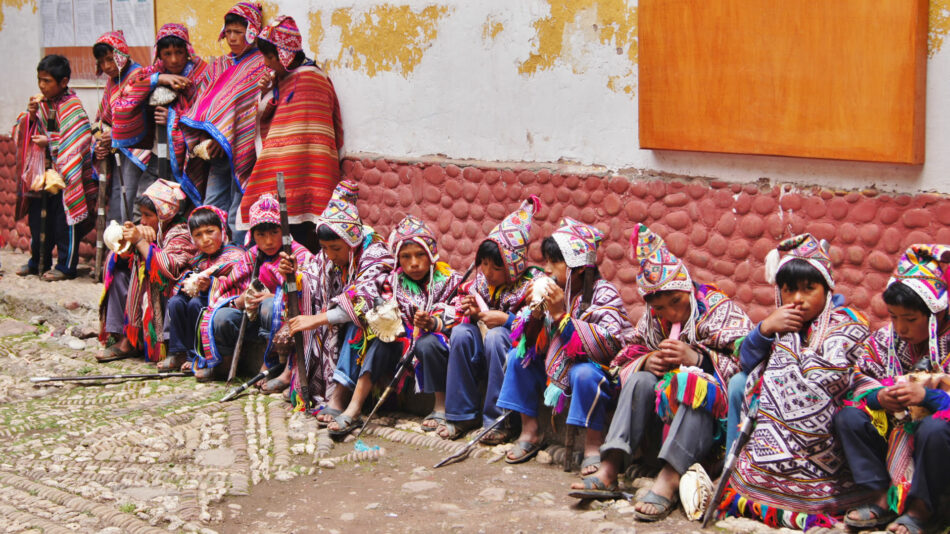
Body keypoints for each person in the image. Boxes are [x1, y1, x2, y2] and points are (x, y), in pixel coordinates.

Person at [569, 224, 752, 522]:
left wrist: (698, 358)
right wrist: (647, 361)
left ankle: (669, 478)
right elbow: (623, 357)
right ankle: (611, 466)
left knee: (691, 383)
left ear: (687, 288)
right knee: (640, 377)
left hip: (708, 431)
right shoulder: (653, 320)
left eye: (676, 303)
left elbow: (748, 361)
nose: (671, 314)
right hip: (661, 424)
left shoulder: (717, 309)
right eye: (661, 308)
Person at [717, 234, 871, 529]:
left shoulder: (847, 323)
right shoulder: (780, 323)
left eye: (808, 289)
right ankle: (735, 472)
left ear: (827, 290)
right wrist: (763, 329)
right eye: (788, 290)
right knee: (739, 383)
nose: (797, 299)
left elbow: (838, 376)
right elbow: (747, 362)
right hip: (773, 423)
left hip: (829, 427)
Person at [496, 218, 635, 468]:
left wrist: (561, 315)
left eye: (555, 262)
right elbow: (528, 342)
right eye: (546, 261)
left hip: (596, 372)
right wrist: (536, 313)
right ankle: (530, 430)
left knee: (583, 374)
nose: (546, 269)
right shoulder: (555, 289)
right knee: (519, 357)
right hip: (557, 369)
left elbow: (609, 347)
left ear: (579, 267)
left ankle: (593, 445)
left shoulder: (604, 294)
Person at [836, 245, 950, 534]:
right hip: (895, 429)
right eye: (894, 316)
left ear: (936, 313)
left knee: (933, 429)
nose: (900, 328)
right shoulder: (887, 340)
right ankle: (880, 498)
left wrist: (930, 397)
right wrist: (880, 398)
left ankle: (923, 510)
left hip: (938, 444)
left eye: (910, 320)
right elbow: (860, 379)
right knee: (847, 418)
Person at [278, 181, 394, 433]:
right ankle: (304, 379)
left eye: (336, 249)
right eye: (324, 248)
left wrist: (317, 319)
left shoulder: (375, 252)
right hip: (341, 323)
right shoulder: (330, 253)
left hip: (378, 327)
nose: (330, 255)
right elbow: (310, 277)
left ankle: (339, 396)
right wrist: (292, 273)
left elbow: (362, 302)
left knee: (358, 326)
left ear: (351, 243)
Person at [436, 196, 544, 442]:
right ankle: (462, 416)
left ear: (513, 265)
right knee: (462, 334)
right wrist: (472, 313)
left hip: (516, 352)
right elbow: (461, 308)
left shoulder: (533, 283)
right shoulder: (481, 281)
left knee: (496, 336)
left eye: (496, 267)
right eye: (483, 264)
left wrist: (507, 320)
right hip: (482, 348)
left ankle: (499, 422)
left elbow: (538, 326)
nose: (487, 272)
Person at [238, 15, 343, 252]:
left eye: (269, 56)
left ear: (283, 56)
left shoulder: (310, 79)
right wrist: (267, 90)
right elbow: (269, 115)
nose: (265, 63)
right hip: (287, 164)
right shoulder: (284, 79)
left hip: (307, 163)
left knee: (304, 228)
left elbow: (306, 127)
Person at [202, 193, 313, 387]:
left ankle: (271, 365)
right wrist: (241, 300)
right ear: (252, 235)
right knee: (222, 317)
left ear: (284, 232)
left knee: (270, 306)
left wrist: (276, 298)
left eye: (274, 233)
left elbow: (310, 292)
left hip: (281, 324)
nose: (268, 241)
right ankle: (223, 363)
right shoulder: (252, 256)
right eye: (261, 235)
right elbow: (230, 284)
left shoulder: (298, 255)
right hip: (253, 321)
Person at [180, 2, 267, 243]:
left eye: (238, 32)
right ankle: (211, 255)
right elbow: (203, 104)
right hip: (216, 150)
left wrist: (227, 137)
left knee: (239, 208)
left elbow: (252, 109)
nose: (232, 38)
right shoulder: (218, 66)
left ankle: (238, 258)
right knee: (213, 204)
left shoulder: (260, 63)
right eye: (228, 32)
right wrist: (211, 138)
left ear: (252, 32)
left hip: (244, 149)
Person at [13, 54, 95, 281]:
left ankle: (66, 266)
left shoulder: (72, 106)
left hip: (66, 176)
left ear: (64, 82)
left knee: (63, 220)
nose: (42, 85)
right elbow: (23, 130)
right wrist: (30, 116)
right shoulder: (40, 104)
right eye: (40, 79)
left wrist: (50, 143)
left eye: (47, 81)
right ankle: (38, 261)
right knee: (38, 220)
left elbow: (80, 137)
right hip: (42, 174)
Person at [97, 179, 196, 363]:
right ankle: (123, 335)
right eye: (141, 215)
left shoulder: (181, 233)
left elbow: (168, 268)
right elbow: (120, 257)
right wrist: (128, 242)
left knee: (148, 273)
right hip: (149, 295)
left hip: (169, 295)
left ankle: (138, 341)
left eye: (148, 215)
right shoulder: (147, 229)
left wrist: (141, 243)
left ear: (163, 215)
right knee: (118, 273)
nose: (143, 221)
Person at [111, 23, 210, 205]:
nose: (173, 60)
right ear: (159, 54)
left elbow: (207, 114)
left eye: (179, 53)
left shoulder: (203, 74)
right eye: (167, 54)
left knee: (179, 207)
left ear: (187, 51)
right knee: (144, 206)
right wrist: (159, 79)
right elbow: (124, 98)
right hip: (157, 155)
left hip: (189, 161)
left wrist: (173, 119)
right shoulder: (153, 72)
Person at [386, 215, 464, 431]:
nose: (414, 263)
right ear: (398, 260)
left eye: (421, 254)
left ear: (431, 254)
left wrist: (433, 322)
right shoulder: (392, 283)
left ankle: (440, 406)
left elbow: (460, 311)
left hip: (442, 341)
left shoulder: (451, 279)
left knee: (428, 343)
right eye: (406, 257)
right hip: (404, 341)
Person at [159, 205, 245, 373]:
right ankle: (178, 352)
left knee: (195, 304)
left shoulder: (235, 255)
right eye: (198, 235)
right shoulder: (197, 260)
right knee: (176, 301)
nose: (205, 239)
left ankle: (197, 355)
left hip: (223, 303)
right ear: (192, 238)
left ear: (222, 230)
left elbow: (237, 285)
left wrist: (212, 283)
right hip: (202, 299)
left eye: (210, 231)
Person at [91, 30, 150, 222]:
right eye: (102, 62)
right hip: (118, 150)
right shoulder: (112, 81)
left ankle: (128, 245)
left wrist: (115, 135)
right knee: (118, 195)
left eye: (110, 59)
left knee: (129, 196)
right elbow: (104, 118)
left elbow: (137, 117)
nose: (107, 66)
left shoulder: (137, 75)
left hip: (136, 149)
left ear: (121, 54)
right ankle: (115, 246)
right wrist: (101, 140)